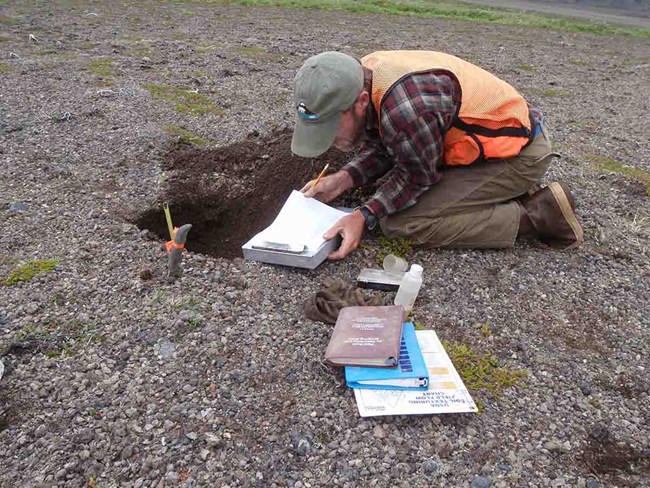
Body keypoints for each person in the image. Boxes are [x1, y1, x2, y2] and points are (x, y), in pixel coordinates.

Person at [292, 51, 584, 260]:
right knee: (387, 197)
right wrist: (344, 179)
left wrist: (363, 215)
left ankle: (539, 215)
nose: (330, 139)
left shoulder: (406, 109)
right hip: (492, 140)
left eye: (331, 128)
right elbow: (385, 142)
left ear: (361, 102)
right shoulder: (361, 75)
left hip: (520, 157)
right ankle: (491, 196)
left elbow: (416, 177)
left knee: (400, 224)